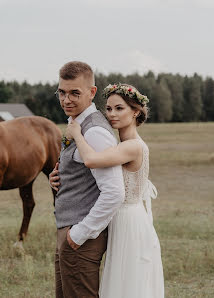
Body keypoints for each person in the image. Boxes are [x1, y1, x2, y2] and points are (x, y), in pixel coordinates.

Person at [50, 82, 164, 297]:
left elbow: (92, 160)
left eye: (119, 108)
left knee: (127, 283)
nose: (112, 114)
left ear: (135, 112)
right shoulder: (122, 143)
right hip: (122, 216)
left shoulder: (132, 146)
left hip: (127, 219)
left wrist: (77, 134)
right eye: (109, 108)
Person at [51, 61, 125, 298]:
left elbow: (114, 192)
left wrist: (80, 234)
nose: (66, 100)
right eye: (62, 92)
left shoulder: (94, 132)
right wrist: (60, 176)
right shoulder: (77, 123)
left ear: (92, 92)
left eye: (75, 93)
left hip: (80, 238)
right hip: (70, 232)